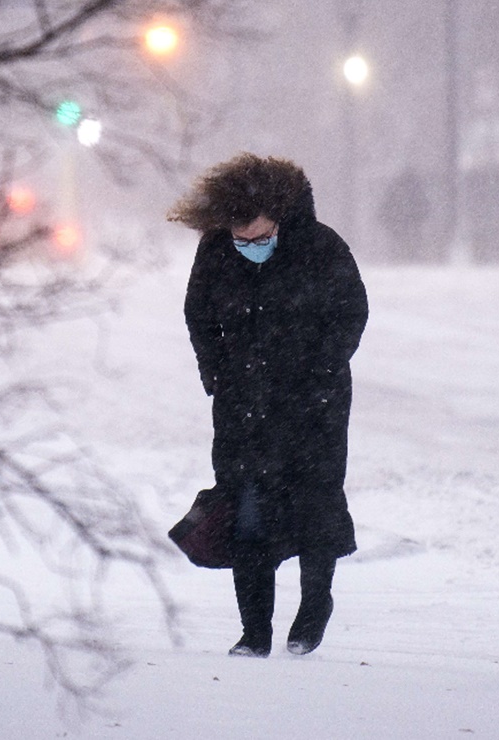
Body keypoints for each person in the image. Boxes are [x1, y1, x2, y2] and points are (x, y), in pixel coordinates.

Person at [168, 153, 369, 658]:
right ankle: (254, 631)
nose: (250, 249)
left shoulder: (322, 249)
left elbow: (350, 313)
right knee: (248, 514)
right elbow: (198, 314)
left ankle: (313, 608)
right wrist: (214, 371)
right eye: (241, 241)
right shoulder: (216, 251)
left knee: (314, 507)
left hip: (312, 406)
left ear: (279, 217)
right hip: (244, 405)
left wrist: (321, 371)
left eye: (259, 239)